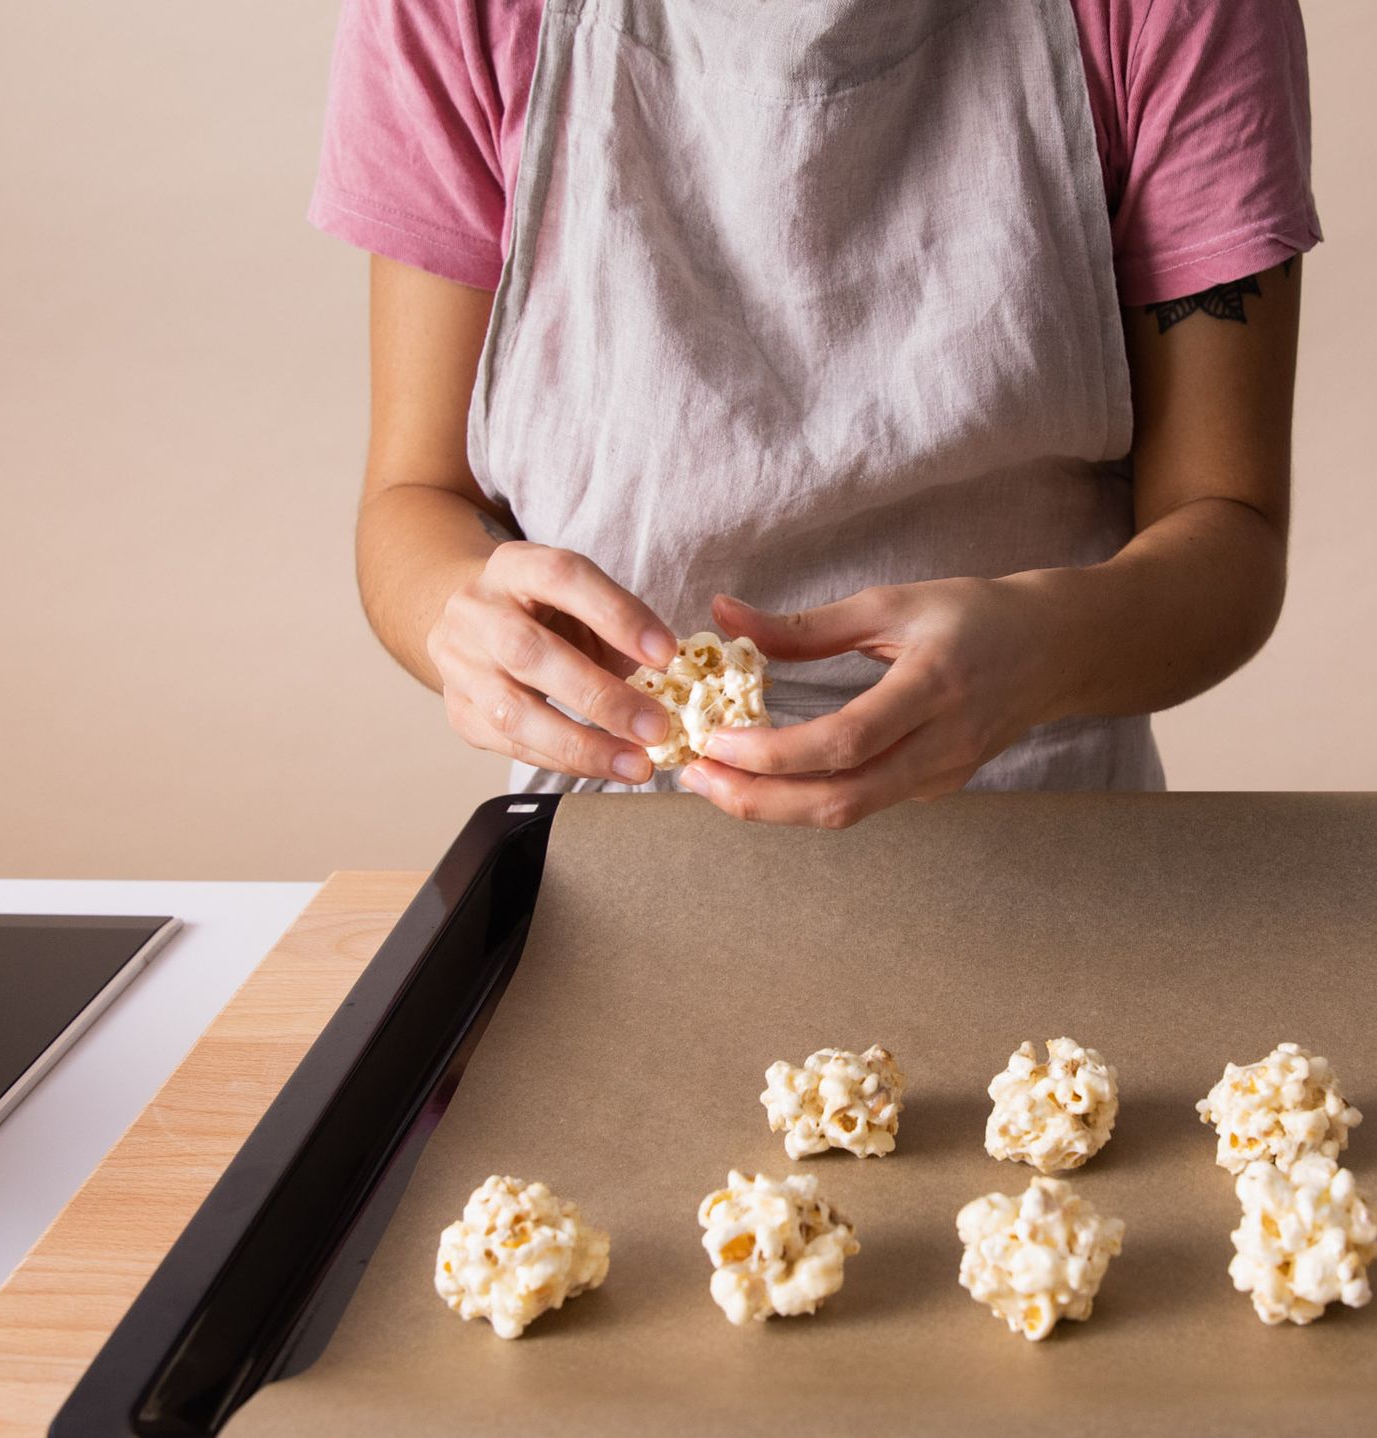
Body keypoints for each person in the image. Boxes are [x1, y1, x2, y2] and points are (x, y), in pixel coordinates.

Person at [312, 0, 1317, 828]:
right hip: (618, 844)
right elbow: (416, 495)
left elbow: (1229, 530)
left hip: (1042, 829)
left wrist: (1044, 650)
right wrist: (462, 616)